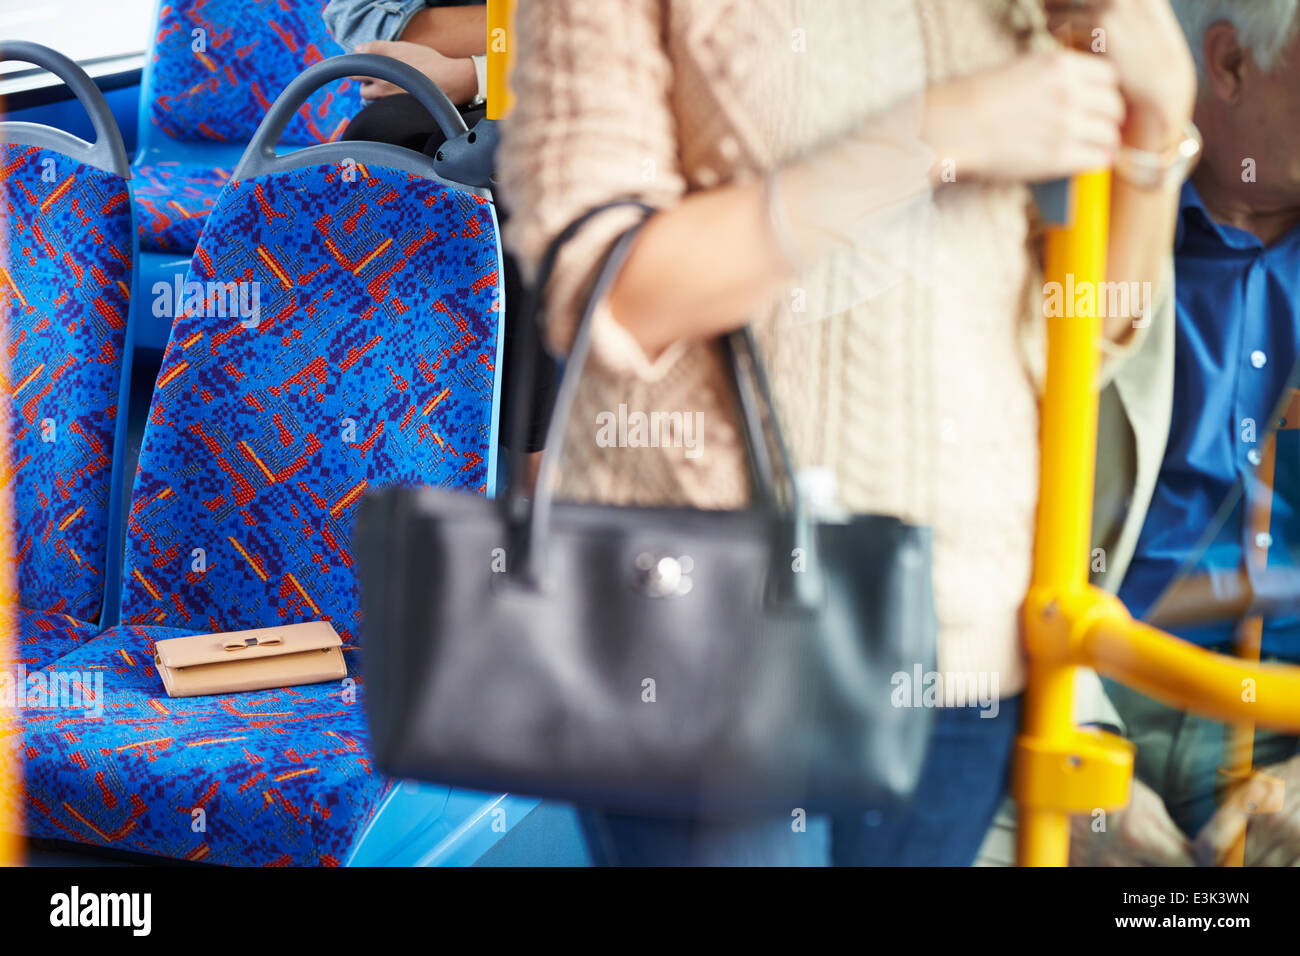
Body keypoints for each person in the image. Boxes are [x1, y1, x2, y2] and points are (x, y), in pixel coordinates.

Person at [499, 0, 1195, 866]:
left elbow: (1071, 350)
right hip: (705, 631)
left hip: (970, 640)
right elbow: (607, 293)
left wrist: (1159, 125)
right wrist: (937, 135)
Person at [1077, 0, 1300, 867]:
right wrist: (1079, 755)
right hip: (1070, 682)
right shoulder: (1071, 218)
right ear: (1229, 64)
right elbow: (960, 516)